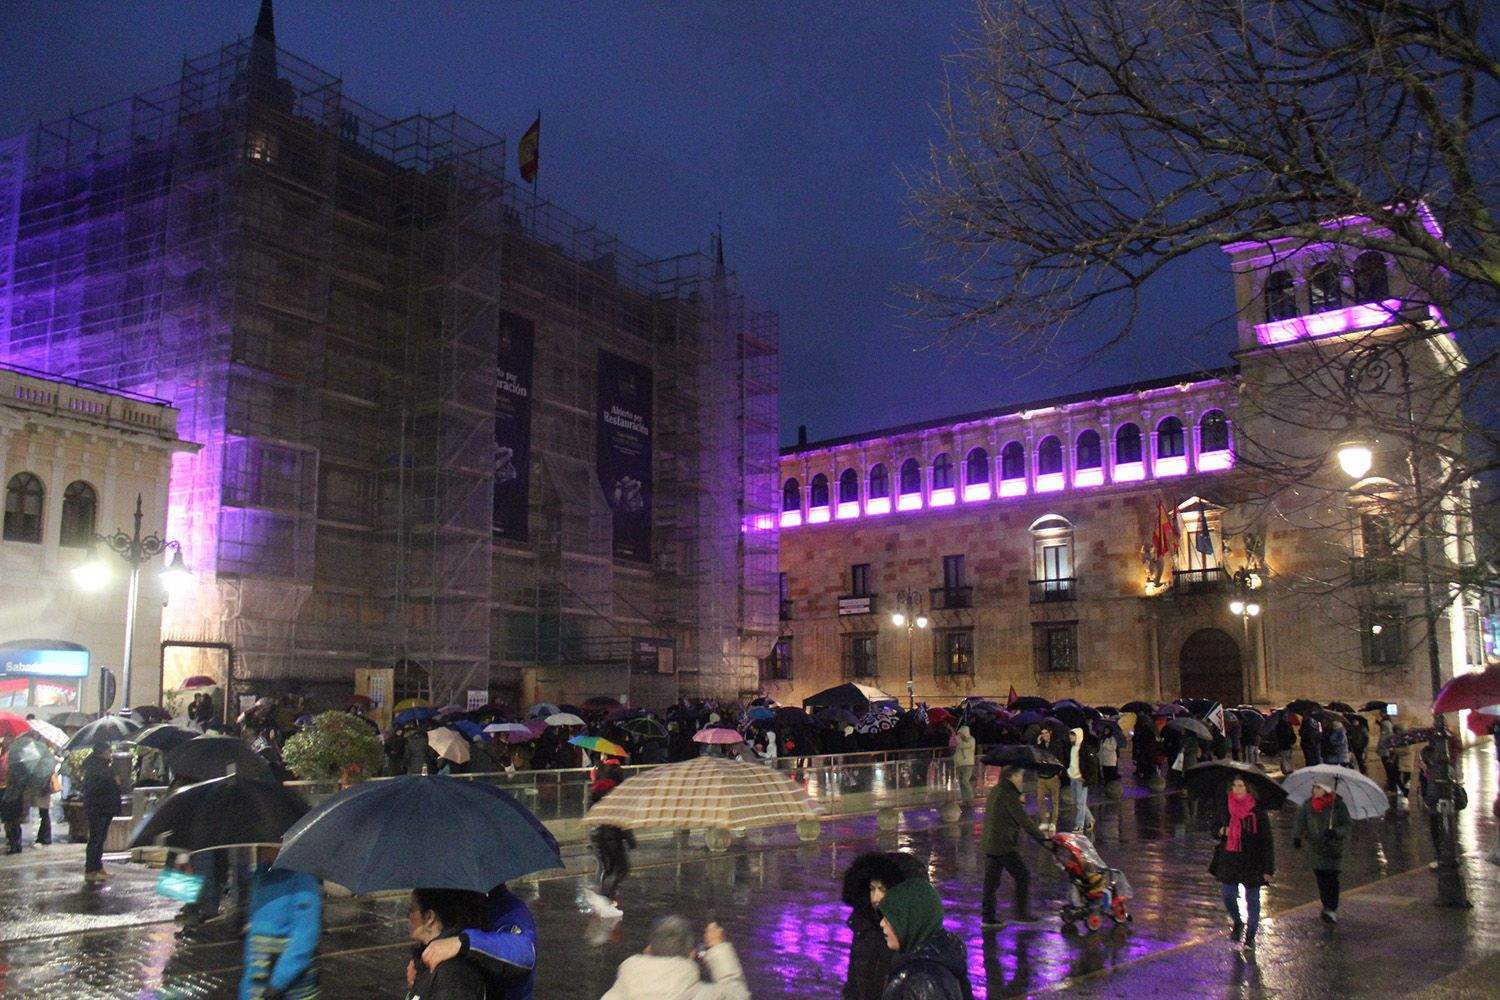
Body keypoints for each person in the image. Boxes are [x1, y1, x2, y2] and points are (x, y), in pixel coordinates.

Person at [422, 882, 537, 999]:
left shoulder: (511, 910)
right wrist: (422, 965)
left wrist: (464, 942)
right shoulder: (461, 903)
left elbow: (524, 953)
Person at [599, 915, 749, 1000]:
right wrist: (717, 947)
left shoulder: (617, 994)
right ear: (691, 954)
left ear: (648, 949)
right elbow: (738, 995)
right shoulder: (702, 995)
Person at [841, 852, 925, 1000]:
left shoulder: (917, 937)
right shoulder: (864, 927)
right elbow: (853, 986)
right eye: (872, 889)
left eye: (883, 890)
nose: (875, 898)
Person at [239, 847, 321, 999]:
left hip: (291, 988)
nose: (262, 850)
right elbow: (254, 934)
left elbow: (304, 937)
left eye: (268, 846)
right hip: (259, 984)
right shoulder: (261, 875)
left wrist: (277, 984)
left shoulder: (304, 879)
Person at [877, 879, 974, 1000]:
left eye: (889, 919)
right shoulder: (923, 964)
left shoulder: (922, 982)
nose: (881, 923)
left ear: (912, 922)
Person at [1211, 777, 1275, 952]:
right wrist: (1222, 830)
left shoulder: (1257, 811)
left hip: (1252, 860)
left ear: (1248, 789)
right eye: (1234, 785)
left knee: (1252, 900)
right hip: (1230, 859)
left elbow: (1267, 840)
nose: (1237, 789)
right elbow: (1214, 828)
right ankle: (1238, 922)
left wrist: (1268, 868)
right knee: (1228, 894)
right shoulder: (1226, 807)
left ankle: (1251, 936)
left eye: (1240, 786)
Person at [981, 765, 1049, 926]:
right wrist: (1044, 840)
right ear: (1012, 777)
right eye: (1020, 775)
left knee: (990, 883)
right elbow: (1024, 821)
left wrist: (1018, 800)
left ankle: (988, 918)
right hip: (1004, 844)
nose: (1021, 779)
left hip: (991, 842)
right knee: (1023, 875)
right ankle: (1021, 913)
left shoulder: (997, 790)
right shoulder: (1008, 794)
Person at [407, 888, 491, 1000]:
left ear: (429, 917)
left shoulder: (452, 974)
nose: (407, 916)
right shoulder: (427, 963)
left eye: (411, 910)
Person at [1291, 780, 1352, 924]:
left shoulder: (1338, 806)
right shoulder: (1308, 805)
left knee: (1332, 878)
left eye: (1318, 788)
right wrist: (1297, 837)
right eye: (1314, 787)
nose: (1315, 790)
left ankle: (1331, 907)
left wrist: (1335, 832)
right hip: (1316, 848)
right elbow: (1300, 821)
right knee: (1321, 878)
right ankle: (1326, 906)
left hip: (1333, 849)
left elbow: (1347, 826)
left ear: (1326, 790)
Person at [585, 770, 636, 918]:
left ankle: (604, 898)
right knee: (622, 869)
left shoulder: (595, 793)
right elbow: (621, 819)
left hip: (597, 836)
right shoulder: (615, 793)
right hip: (613, 837)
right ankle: (605, 899)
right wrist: (630, 839)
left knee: (607, 869)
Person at [80, 742, 121, 881]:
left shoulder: (103, 766)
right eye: (109, 751)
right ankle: (90, 870)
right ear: (102, 752)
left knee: (100, 838)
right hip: (98, 808)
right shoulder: (95, 768)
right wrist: (113, 781)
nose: (111, 753)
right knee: (95, 839)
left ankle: (98, 866)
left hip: (104, 807)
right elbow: (96, 788)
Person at [1066, 728, 1098, 832]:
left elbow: (1091, 764)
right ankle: (1090, 820)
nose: (1071, 737)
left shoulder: (1085, 749)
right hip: (1073, 778)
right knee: (1078, 802)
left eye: (1073, 735)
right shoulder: (1071, 747)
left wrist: (1086, 778)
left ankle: (1079, 825)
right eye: (1071, 735)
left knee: (1080, 803)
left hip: (1081, 779)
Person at [1030, 728, 1061, 831]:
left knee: (1055, 801)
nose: (1044, 735)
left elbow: (1060, 759)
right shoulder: (1040, 746)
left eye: (1046, 733)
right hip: (1042, 777)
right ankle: (1044, 821)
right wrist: (1038, 744)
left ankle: (1053, 822)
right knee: (1039, 799)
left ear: (1050, 733)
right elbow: (1036, 757)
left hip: (1052, 776)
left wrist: (1058, 773)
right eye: (1042, 734)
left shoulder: (1056, 745)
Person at [952, 725, 976, 802]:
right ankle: (964, 799)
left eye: (961, 733)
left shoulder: (971, 740)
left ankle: (970, 798)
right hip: (959, 764)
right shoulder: (959, 741)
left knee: (965, 781)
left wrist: (958, 739)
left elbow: (963, 746)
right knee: (961, 783)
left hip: (968, 764)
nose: (960, 734)